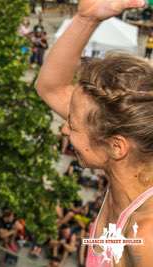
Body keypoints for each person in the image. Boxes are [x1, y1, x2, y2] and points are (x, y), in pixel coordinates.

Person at [35, 0, 152, 265]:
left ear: (116, 146)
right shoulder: (131, 144)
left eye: (73, 125)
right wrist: (86, 19)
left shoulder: (147, 236)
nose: (64, 128)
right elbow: (51, 88)